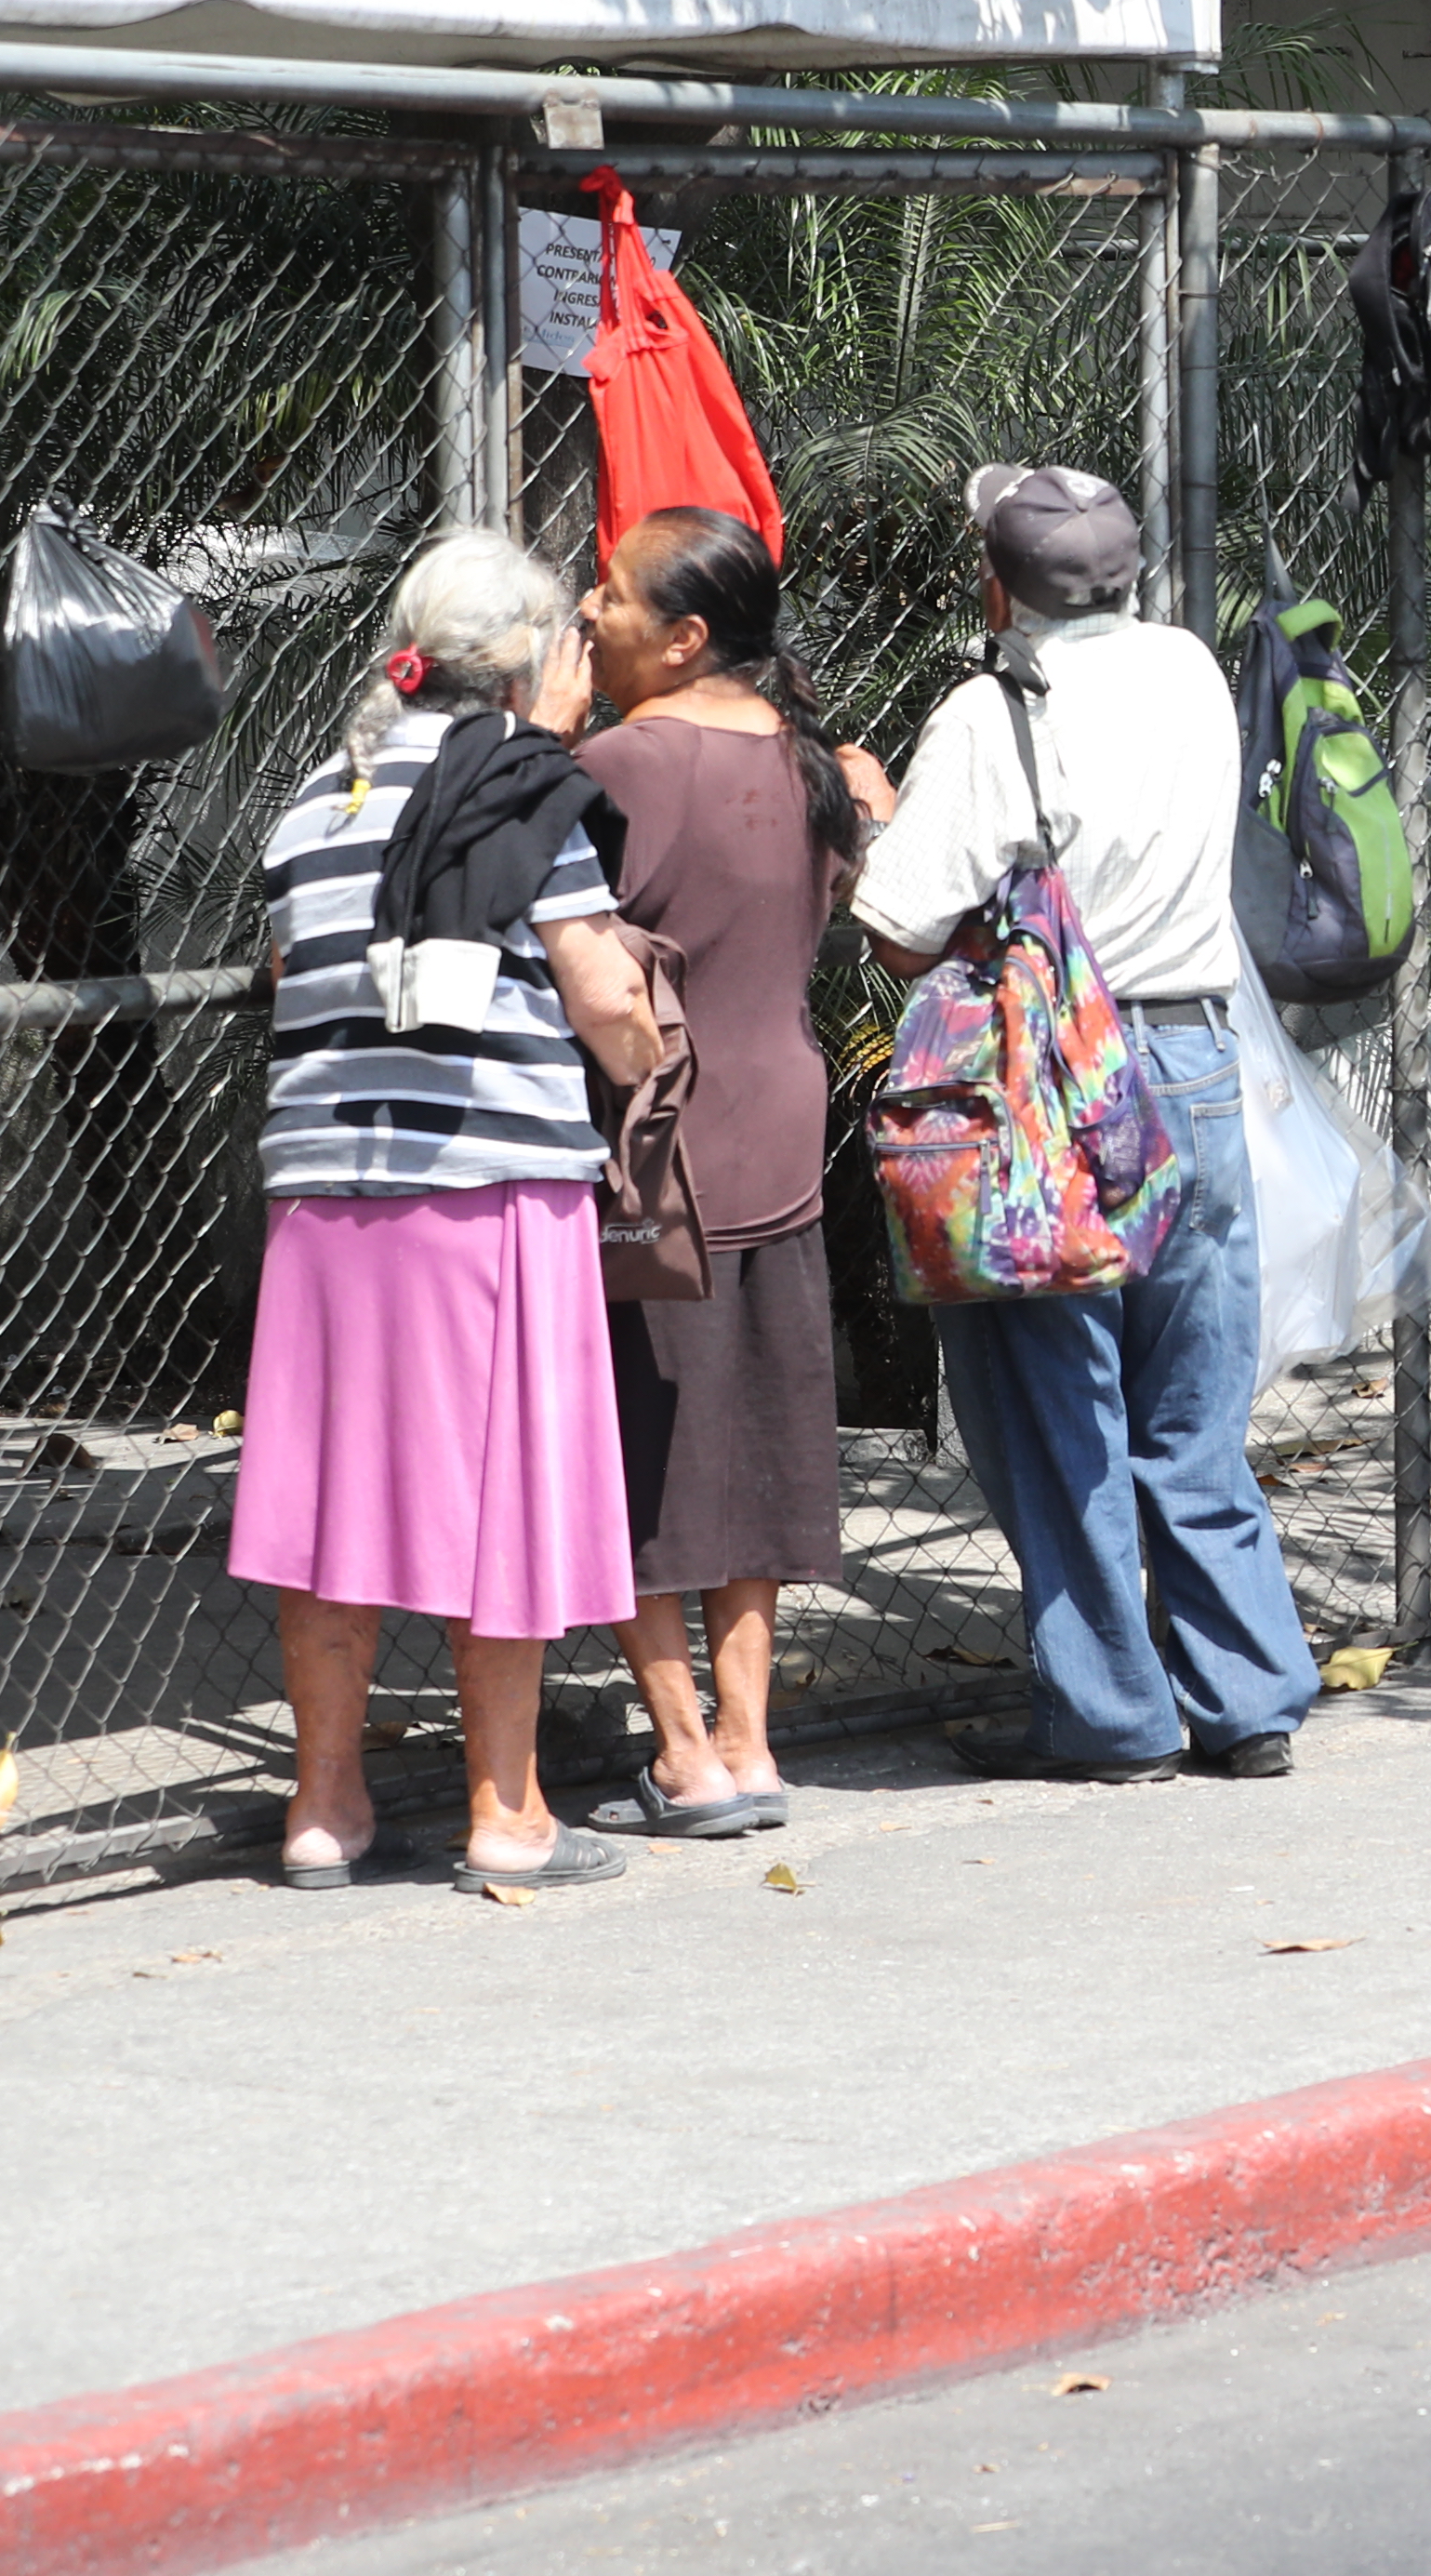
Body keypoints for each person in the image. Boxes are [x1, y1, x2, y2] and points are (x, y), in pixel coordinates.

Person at [857, 465, 1319, 1783]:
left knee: (1054, 1395)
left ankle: (1110, 1715)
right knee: (1192, 1403)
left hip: (1057, 1081)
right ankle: (1248, 1699)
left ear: (1000, 587)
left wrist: (887, 815)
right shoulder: (1186, 669)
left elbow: (898, 930)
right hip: (1193, 1059)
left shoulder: (993, 712)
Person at [235, 532, 670, 1892]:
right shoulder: (521, 794)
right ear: (534, 658)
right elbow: (604, 1004)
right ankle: (509, 1810)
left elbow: (289, 969)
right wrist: (651, 1050)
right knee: (507, 1501)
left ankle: (324, 1808)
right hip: (489, 1193)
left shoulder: (314, 798)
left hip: (325, 1193)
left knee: (327, 1504)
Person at [570, 509, 894, 1839]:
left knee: (644, 1444)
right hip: (782, 1125)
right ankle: (754, 1744)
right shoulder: (819, 758)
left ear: (687, 634)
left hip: (657, 1150)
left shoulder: (622, 763)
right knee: (758, 1430)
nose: (589, 613)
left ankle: (686, 1754)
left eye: (612, 595)